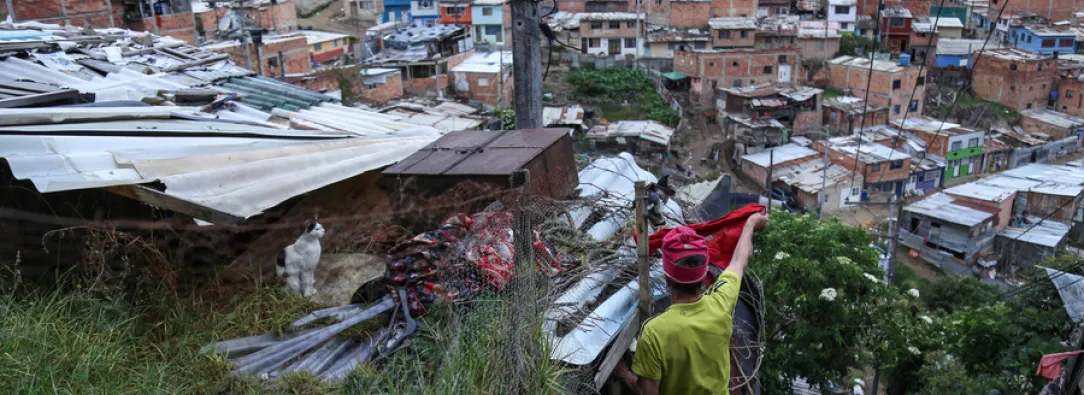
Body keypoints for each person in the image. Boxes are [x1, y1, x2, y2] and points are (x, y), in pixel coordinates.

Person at [616, 211, 769, 395]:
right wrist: (750, 224)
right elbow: (739, 261)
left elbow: (647, 391)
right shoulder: (721, 304)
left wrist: (624, 373)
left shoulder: (654, 332)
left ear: (666, 278)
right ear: (704, 274)